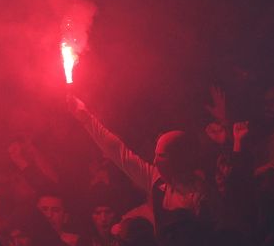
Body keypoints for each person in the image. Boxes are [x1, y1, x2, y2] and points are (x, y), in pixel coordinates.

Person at [66, 94, 213, 230]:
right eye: (155, 155)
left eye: (161, 156)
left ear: (179, 159)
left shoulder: (202, 195)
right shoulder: (157, 180)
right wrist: (86, 118)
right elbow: (118, 151)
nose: (155, 161)